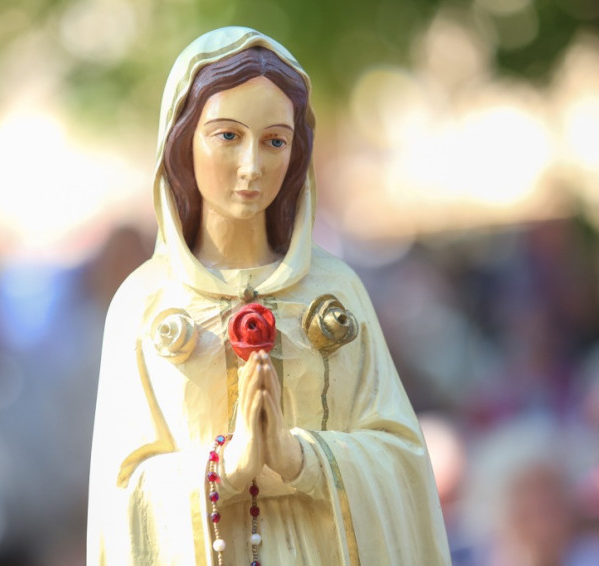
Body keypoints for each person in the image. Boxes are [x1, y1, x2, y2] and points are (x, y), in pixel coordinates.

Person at [87, 27, 450, 565]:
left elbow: (401, 458)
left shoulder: (335, 291)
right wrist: (226, 470)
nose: (252, 166)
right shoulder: (144, 303)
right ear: (183, 141)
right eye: (228, 136)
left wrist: (303, 458)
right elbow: (121, 493)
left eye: (275, 141)